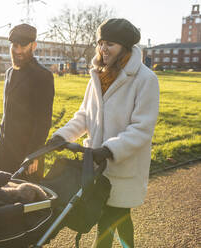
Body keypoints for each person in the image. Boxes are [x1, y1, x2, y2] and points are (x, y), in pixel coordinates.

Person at [47, 18, 159, 247]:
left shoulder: (145, 79)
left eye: (110, 44)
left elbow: (142, 128)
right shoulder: (97, 76)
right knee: (112, 216)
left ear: (125, 47)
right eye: (100, 43)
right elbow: (84, 116)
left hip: (123, 164)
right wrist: (62, 136)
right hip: (97, 165)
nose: (103, 49)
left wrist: (109, 149)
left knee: (111, 219)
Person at [0, 23, 55, 181]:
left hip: (27, 154)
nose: (18, 50)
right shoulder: (9, 73)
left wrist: (34, 154)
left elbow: (43, 121)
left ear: (33, 46)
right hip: (4, 148)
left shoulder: (43, 76)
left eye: (23, 45)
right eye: (15, 45)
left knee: (25, 200)